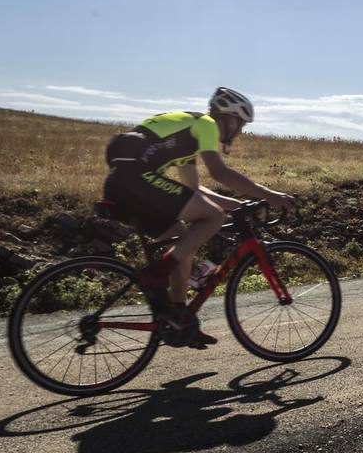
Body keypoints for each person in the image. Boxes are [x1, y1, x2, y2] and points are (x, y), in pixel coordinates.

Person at [102, 87, 297, 347]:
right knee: (213, 218)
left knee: (183, 240)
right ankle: (157, 273)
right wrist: (269, 194)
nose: (239, 132)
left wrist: (235, 204)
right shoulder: (206, 124)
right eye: (240, 125)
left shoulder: (187, 138)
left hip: (123, 185)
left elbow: (193, 189)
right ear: (228, 119)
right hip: (136, 181)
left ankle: (178, 319)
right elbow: (219, 173)